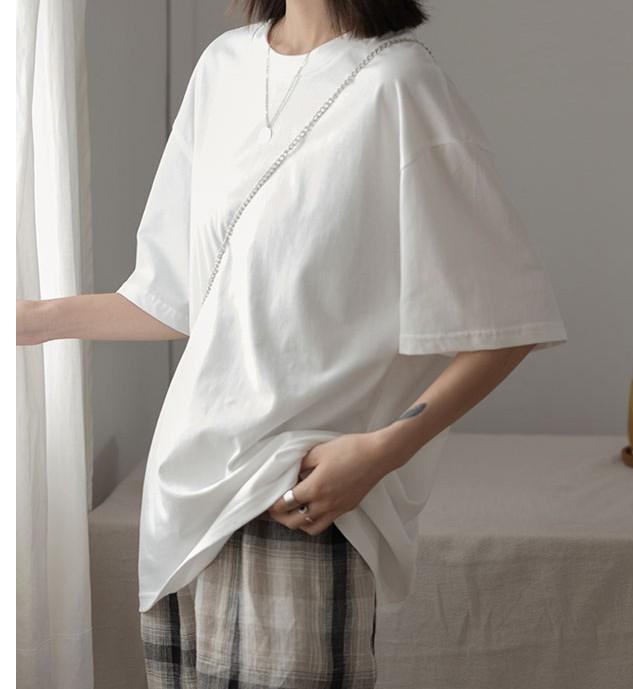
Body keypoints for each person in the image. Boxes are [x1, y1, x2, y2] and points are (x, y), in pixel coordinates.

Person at [16, 0, 568, 686]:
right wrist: (30, 318)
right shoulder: (222, 66)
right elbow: (176, 298)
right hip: (185, 501)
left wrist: (380, 452)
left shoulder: (399, 84)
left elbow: (507, 324)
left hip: (298, 495)